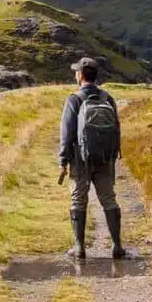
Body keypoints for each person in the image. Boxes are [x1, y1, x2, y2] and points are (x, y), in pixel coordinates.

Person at [57, 56, 126, 260]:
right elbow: (117, 129)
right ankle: (117, 246)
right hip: (104, 158)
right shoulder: (107, 98)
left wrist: (63, 160)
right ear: (96, 76)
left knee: (78, 199)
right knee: (108, 199)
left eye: (76, 72)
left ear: (80, 75)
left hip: (80, 159)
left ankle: (79, 248)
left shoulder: (74, 99)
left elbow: (67, 133)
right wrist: (114, 154)